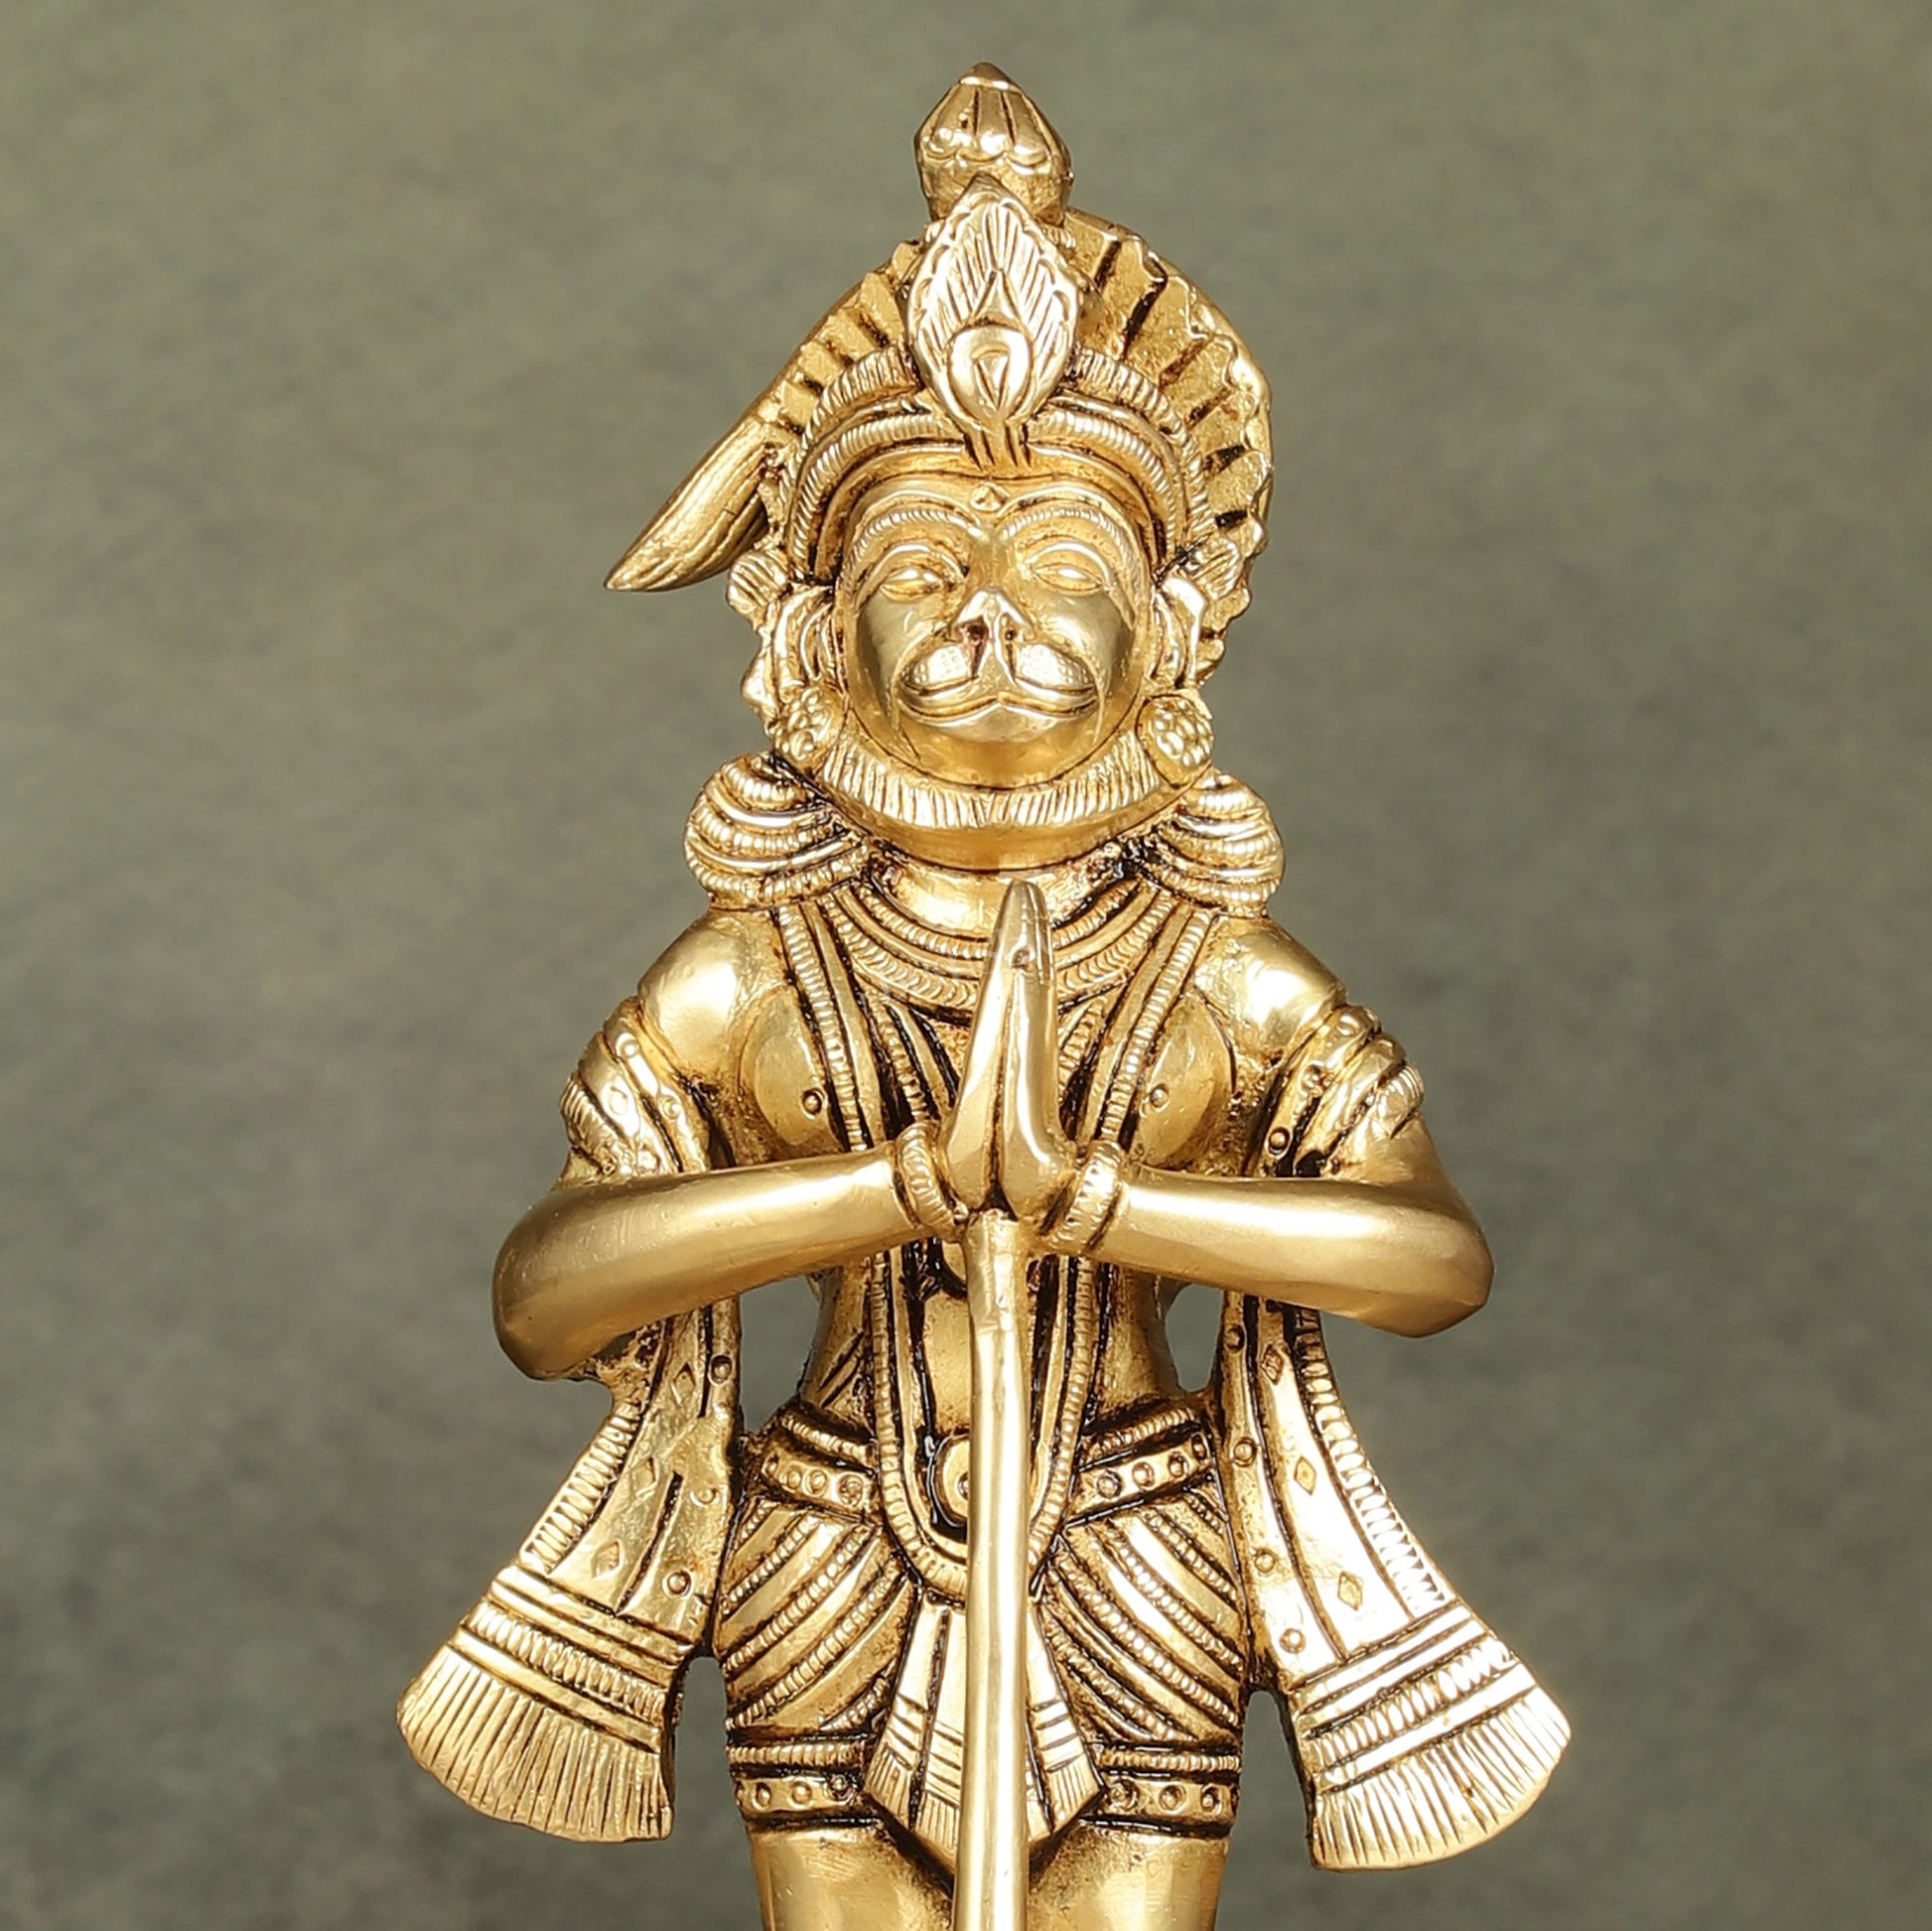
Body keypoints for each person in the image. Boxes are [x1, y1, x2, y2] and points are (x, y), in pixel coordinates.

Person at [399, 66, 1565, 1931]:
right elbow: (547, 1298)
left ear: (1168, 633)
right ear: (809, 635)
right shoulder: (753, 972)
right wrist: (895, 1187)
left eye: (1064, 568)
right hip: (822, 1535)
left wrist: (1100, 1199)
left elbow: (1427, 1261)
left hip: (1139, 1533)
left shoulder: (1219, 974)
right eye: (924, 566)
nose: (989, 617)